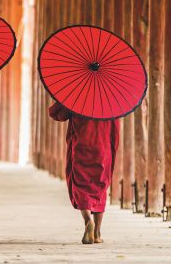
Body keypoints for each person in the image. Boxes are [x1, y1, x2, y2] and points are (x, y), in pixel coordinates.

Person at [48, 101, 119, 244]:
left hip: (81, 146)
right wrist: (111, 151)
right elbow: (115, 133)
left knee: (80, 186)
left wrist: (68, 101)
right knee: (101, 187)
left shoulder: (78, 96)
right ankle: (98, 232)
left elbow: (56, 113)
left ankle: (88, 221)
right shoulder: (111, 101)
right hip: (103, 148)